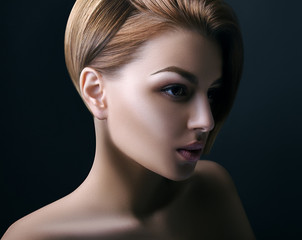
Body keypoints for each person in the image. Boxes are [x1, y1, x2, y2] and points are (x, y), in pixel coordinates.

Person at [2, 0, 255, 239]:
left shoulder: (211, 192)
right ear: (96, 92)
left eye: (211, 93)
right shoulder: (36, 237)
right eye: (176, 90)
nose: (206, 121)